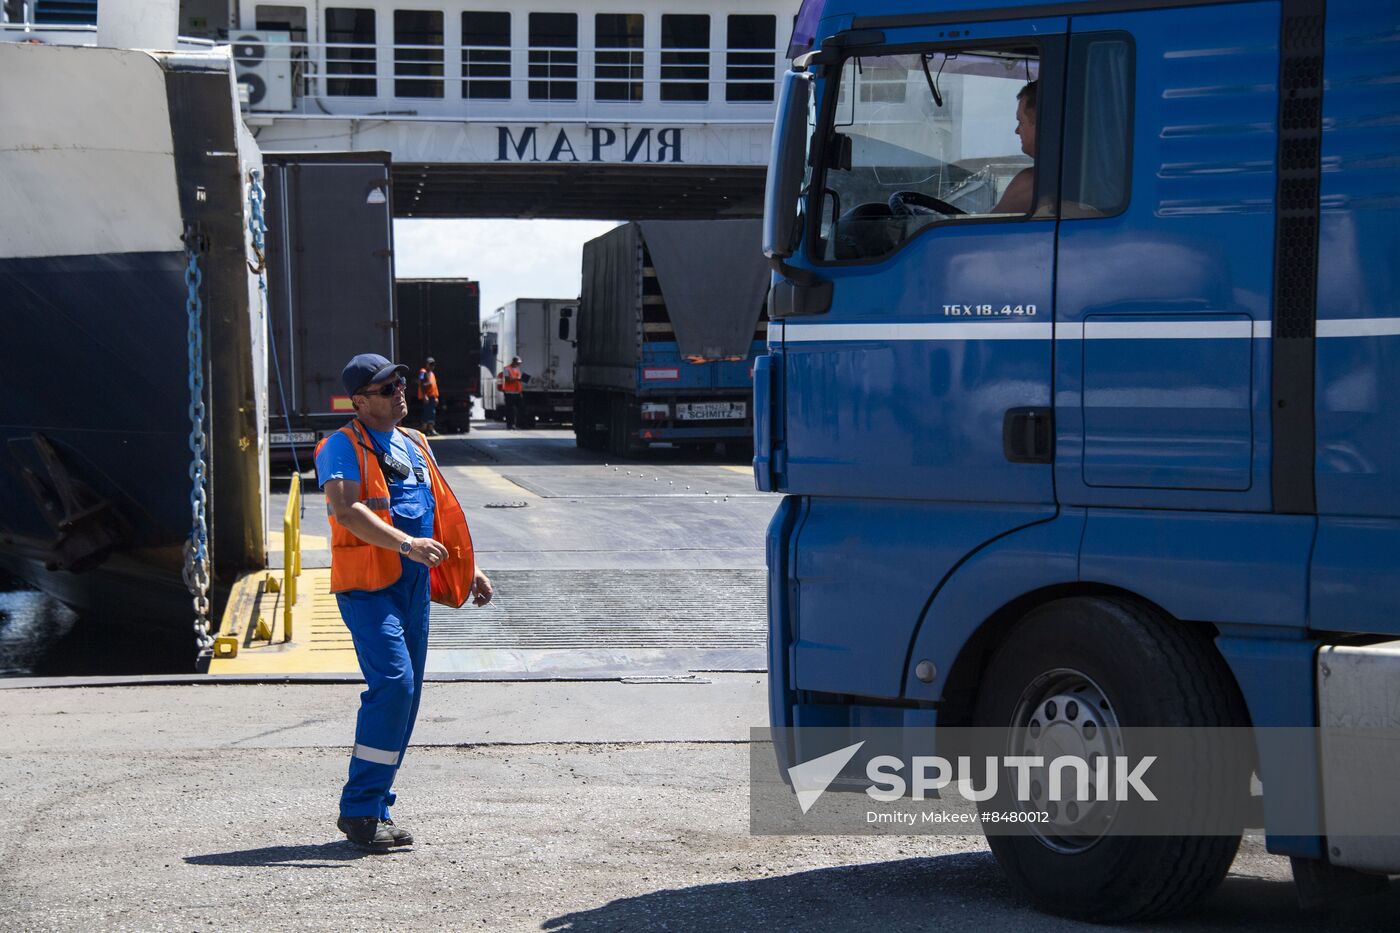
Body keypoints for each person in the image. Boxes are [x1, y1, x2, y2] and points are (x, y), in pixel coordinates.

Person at [314, 352, 493, 851]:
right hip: (369, 584)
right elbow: (347, 512)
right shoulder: (340, 447)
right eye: (386, 388)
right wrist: (407, 546)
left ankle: (376, 807)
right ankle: (360, 809)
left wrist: (464, 566)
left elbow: (431, 511)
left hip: (411, 584)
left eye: (400, 383)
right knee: (394, 684)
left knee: (406, 695)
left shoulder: (414, 443)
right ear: (359, 401)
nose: (399, 392)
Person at [992, 80, 1038, 215]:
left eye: (1021, 121)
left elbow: (983, 232)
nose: (1017, 131)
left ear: (1039, 123)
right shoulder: (1084, 177)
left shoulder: (1031, 182)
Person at [498, 355, 528, 430]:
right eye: (518, 363)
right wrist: (517, 379)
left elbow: (518, 379)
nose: (519, 364)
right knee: (510, 410)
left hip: (517, 392)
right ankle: (510, 425)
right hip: (509, 393)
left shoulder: (517, 369)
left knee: (522, 409)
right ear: (514, 362)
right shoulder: (506, 369)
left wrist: (521, 379)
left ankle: (521, 424)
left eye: (519, 363)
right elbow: (508, 379)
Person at [416, 357, 439, 436]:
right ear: (427, 365)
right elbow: (421, 383)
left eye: (433, 365)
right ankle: (425, 429)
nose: (432, 366)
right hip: (427, 397)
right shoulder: (423, 372)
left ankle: (430, 429)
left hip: (432, 396)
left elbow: (434, 386)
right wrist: (425, 395)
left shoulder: (432, 373)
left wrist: (436, 397)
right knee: (427, 413)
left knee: (432, 413)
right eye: (430, 364)